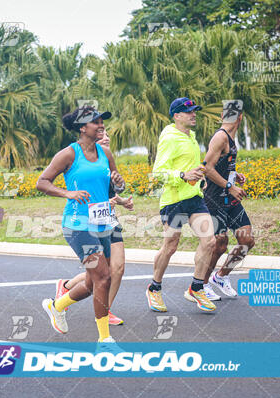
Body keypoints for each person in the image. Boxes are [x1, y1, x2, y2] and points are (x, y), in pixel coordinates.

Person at [37, 106, 125, 346]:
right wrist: (68, 193)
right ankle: (104, 341)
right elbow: (42, 182)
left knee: (90, 283)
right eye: (96, 121)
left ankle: (56, 307)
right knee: (104, 278)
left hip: (102, 222)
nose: (101, 125)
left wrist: (119, 185)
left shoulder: (106, 153)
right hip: (77, 225)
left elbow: (115, 186)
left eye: (102, 121)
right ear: (82, 127)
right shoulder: (68, 154)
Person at [54, 128, 134, 326]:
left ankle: (102, 306)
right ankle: (70, 290)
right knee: (103, 273)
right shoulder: (77, 157)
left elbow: (113, 189)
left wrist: (122, 200)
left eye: (106, 135)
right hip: (84, 221)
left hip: (107, 219)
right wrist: (69, 193)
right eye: (101, 134)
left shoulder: (106, 158)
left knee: (117, 268)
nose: (105, 138)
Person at [146, 97, 216, 313]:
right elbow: (157, 173)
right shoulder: (169, 138)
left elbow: (189, 166)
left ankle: (196, 287)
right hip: (174, 201)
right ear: (176, 116)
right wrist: (183, 175)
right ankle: (154, 288)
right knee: (171, 246)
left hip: (194, 198)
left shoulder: (191, 136)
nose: (193, 114)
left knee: (210, 241)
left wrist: (197, 176)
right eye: (188, 112)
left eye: (194, 111)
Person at [202, 101, 254, 301]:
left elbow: (221, 164)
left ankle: (220, 277)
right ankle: (202, 284)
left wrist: (234, 175)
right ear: (240, 118)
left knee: (246, 241)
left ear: (223, 116)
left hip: (229, 197)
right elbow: (207, 168)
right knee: (220, 243)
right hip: (215, 198)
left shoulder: (230, 138)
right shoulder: (220, 137)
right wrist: (229, 186)